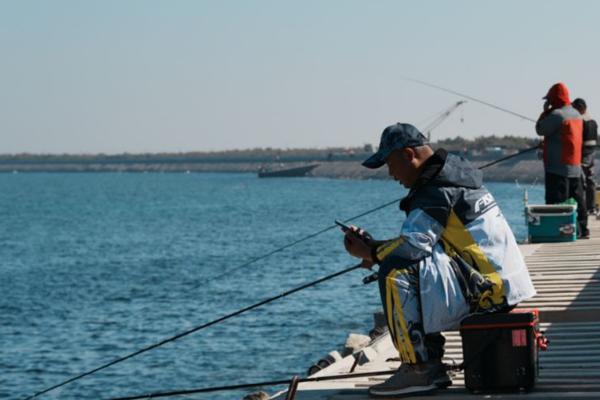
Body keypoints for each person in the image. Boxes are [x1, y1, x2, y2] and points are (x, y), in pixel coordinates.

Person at [342, 123, 536, 397]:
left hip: (490, 292)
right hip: (500, 283)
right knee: (404, 262)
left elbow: (411, 247)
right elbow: (422, 243)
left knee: (395, 271)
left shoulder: (436, 190)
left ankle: (419, 368)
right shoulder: (452, 176)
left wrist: (372, 254)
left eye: (390, 163)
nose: (390, 173)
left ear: (409, 154)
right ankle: (430, 364)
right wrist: (374, 248)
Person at [535, 82, 589, 238]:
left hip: (557, 167)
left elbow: (540, 129)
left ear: (553, 99)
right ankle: (583, 229)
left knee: (556, 204)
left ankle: (559, 232)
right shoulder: (577, 115)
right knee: (578, 201)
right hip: (575, 166)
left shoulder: (556, 115)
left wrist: (545, 112)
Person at [572, 98, 598, 214]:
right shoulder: (593, 121)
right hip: (592, 152)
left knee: (582, 180)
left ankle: (582, 207)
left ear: (580, 108)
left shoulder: (580, 121)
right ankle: (591, 206)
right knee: (590, 179)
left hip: (583, 154)